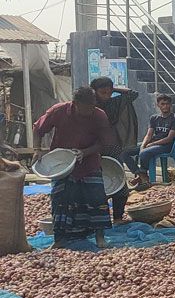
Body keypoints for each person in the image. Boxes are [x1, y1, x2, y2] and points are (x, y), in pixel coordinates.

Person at [33, 87, 117, 248]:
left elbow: (105, 142)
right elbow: (38, 129)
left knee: (96, 198)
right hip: (62, 163)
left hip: (89, 161)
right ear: (75, 103)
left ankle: (100, 237)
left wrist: (84, 152)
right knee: (60, 199)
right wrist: (37, 150)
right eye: (86, 107)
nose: (89, 110)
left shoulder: (99, 115)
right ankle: (60, 239)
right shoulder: (59, 111)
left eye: (92, 106)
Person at [92, 77, 140, 223]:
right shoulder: (89, 106)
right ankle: (101, 218)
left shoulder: (114, 103)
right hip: (93, 149)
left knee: (119, 182)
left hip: (113, 147)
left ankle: (118, 217)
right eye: (102, 92)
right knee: (97, 184)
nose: (106, 96)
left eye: (109, 92)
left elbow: (133, 94)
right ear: (94, 92)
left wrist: (114, 90)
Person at [123, 95, 175, 191]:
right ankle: (141, 174)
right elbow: (149, 134)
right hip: (153, 143)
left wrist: (151, 145)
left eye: (167, 104)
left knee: (144, 153)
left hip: (165, 146)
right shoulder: (154, 118)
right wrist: (143, 145)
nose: (165, 106)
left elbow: (169, 138)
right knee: (124, 152)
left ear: (170, 105)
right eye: (162, 104)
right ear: (158, 105)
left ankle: (143, 178)